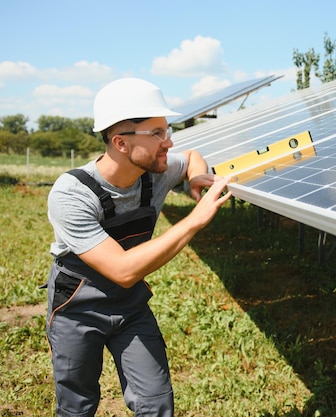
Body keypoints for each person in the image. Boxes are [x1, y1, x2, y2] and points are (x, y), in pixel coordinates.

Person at [44, 77, 231, 416]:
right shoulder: (72, 195)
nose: (168, 142)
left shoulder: (156, 172)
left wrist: (196, 176)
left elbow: (190, 156)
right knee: (77, 404)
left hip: (130, 306)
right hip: (77, 308)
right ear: (121, 143)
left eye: (167, 130)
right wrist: (194, 220)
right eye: (157, 134)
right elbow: (123, 269)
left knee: (156, 402)